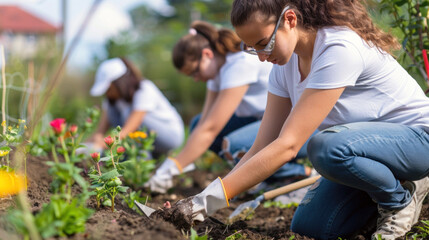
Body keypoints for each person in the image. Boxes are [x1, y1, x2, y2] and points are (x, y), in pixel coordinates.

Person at [165, 1, 429, 240]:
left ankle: (397, 200)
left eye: (264, 43)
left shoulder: (338, 47)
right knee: (312, 226)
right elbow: (262, 145)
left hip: (416, 139)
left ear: (290, 19)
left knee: (325, 147)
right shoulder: (284, 67)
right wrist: (204, 198)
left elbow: (289, 145)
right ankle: (393, 187)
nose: (262, 57)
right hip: (368, 154)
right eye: (252, 48)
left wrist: (209, 201)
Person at [145, 20, 314, 194]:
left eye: (195, 71)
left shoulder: (238, 63)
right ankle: (272, 176)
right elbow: (204, 123)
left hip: (288, 123)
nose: (196, 78)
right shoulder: (216, 73)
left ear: (207, 54)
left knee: (235, 146)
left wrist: (172, 168)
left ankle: (297, 174)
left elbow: (211, 129)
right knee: (196, 124)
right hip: (258, 120)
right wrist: (177, 162)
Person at [86, 57, 184, 158]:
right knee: (113, 111)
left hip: (169, 136)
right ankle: (145, 156)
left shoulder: (144, 89)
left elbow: (129, 129)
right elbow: (100, 130)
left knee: (130, 116)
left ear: (119, 82)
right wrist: (83, 147)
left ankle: (143, 158)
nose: (107, 93)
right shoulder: (112, 101)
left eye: (109, 89)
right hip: (143, 138)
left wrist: (98, 147)